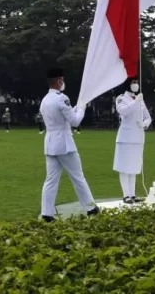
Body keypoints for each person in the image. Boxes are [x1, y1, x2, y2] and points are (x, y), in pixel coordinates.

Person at [40, 68, 99, 221]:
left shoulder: (45, 99)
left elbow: (63, 116)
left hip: (50, 142)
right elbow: (75, 121)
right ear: (59, 81)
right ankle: (91, 207)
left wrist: (76, 108)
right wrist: (82, 108)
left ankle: (47, 213)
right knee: (78, 177)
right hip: (64, 143)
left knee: (51, 179)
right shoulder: (61, 98)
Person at [114, 79, 151, 204]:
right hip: (125, 137)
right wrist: (136, 102)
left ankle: (133, 194)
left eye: (136, 81)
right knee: (124, 167)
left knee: (134, 167)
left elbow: (148, 117)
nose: (136, 84)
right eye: (133, 82)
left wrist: (144, 124)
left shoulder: (139, 98)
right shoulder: (121, 98)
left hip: (138, 137)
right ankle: (126, 195)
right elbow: (123, 111)